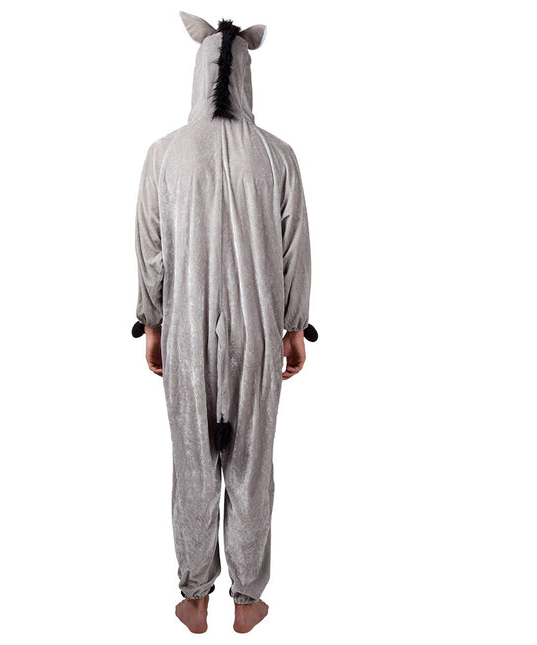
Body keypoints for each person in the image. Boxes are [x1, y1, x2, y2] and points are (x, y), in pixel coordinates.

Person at [132, 11, 317, 633]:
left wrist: (152, 323)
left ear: (200, 68)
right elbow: (294, 250)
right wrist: (294, 326)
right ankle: (247, 599)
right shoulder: (278, 156)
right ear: (245, 73)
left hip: (186, 331)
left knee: (192, 460)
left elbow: (151, 247)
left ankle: (194, 598)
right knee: (250, 464)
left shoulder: (163, 155)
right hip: (258, 333)